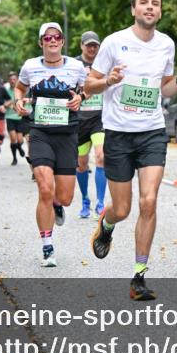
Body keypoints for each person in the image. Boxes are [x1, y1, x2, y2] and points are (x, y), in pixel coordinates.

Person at [84, 0, 177, 300]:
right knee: (122, 208)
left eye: (155, 4)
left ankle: (138, 278)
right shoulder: (113, 43)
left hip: (151, 133)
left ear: (160, 12)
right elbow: (88, 86)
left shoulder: (166, 45)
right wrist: (108, 80)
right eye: (144, 3)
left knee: (149, 202)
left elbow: (165, 91)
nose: (150, 8)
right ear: (134, 9)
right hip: (118, 134)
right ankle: (107, 224)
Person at [13, 22, 87, 267]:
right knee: (45, 188)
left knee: (64, 197)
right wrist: (18, 101)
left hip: (67, 135)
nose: (53, 41)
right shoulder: (30, 66)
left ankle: (57, 205)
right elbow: (20, 86)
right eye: (47, 38)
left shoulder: (76, 67)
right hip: (40, 132)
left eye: (57, 37)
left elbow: (87, 89)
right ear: (41, 42)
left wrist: (80, 97)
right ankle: (47, 247)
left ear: (63, 41)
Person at [75, 31, 108, 218]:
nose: (92, 48)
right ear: (81, 46)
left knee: (101, 156)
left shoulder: (105, 63)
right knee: (81, 164)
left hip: (99, 118)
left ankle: (101, 203)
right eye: (88, 45)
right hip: (80, 120)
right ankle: (85, 200)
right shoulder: (73, 65)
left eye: (95, 45)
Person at [5, 71, 28, 165]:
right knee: (13, 138)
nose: (13, 81)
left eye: (14, 79)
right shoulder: (6, 91)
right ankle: (14, 158)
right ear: (8, 81)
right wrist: (6, 104)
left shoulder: (21, 90)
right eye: (11, 79)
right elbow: (4, 102)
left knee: (20, 140)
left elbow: (25, 102)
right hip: (10, 117)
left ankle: (19, 147)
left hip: (20, 118)